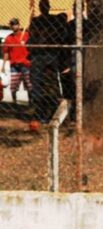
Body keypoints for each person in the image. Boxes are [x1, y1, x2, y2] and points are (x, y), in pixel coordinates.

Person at [27, 0, 68, 131]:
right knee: (40, 86)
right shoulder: (40, 21)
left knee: (48, 86)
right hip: (44, 55)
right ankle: (40, 115)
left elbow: (62, 21)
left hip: (46, 54)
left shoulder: (46, 21)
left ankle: (48, 115)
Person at [3, 18, 31, 105]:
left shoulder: (26, 35)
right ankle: (14, 103)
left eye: (15, 24)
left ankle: (31, 102)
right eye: (12, 24)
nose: (13, 26)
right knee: (13, 87)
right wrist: (3, 65)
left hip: (26, 64)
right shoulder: (8, 38)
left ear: (19, 25)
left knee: (29, 86)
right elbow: (6, 52)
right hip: (14, 65)